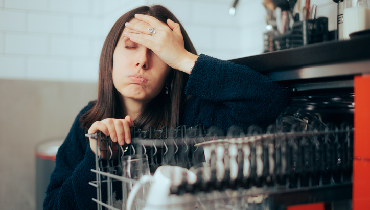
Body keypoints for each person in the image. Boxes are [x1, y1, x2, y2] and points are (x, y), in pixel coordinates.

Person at [43, 5, 290, 210]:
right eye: (131, 46)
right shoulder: (88, 122)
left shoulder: (196, 114)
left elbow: (271, 101)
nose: (142, 60)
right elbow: (54, 205)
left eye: (159, 52)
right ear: (110, 59)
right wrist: (97, 158)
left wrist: (183, 58)